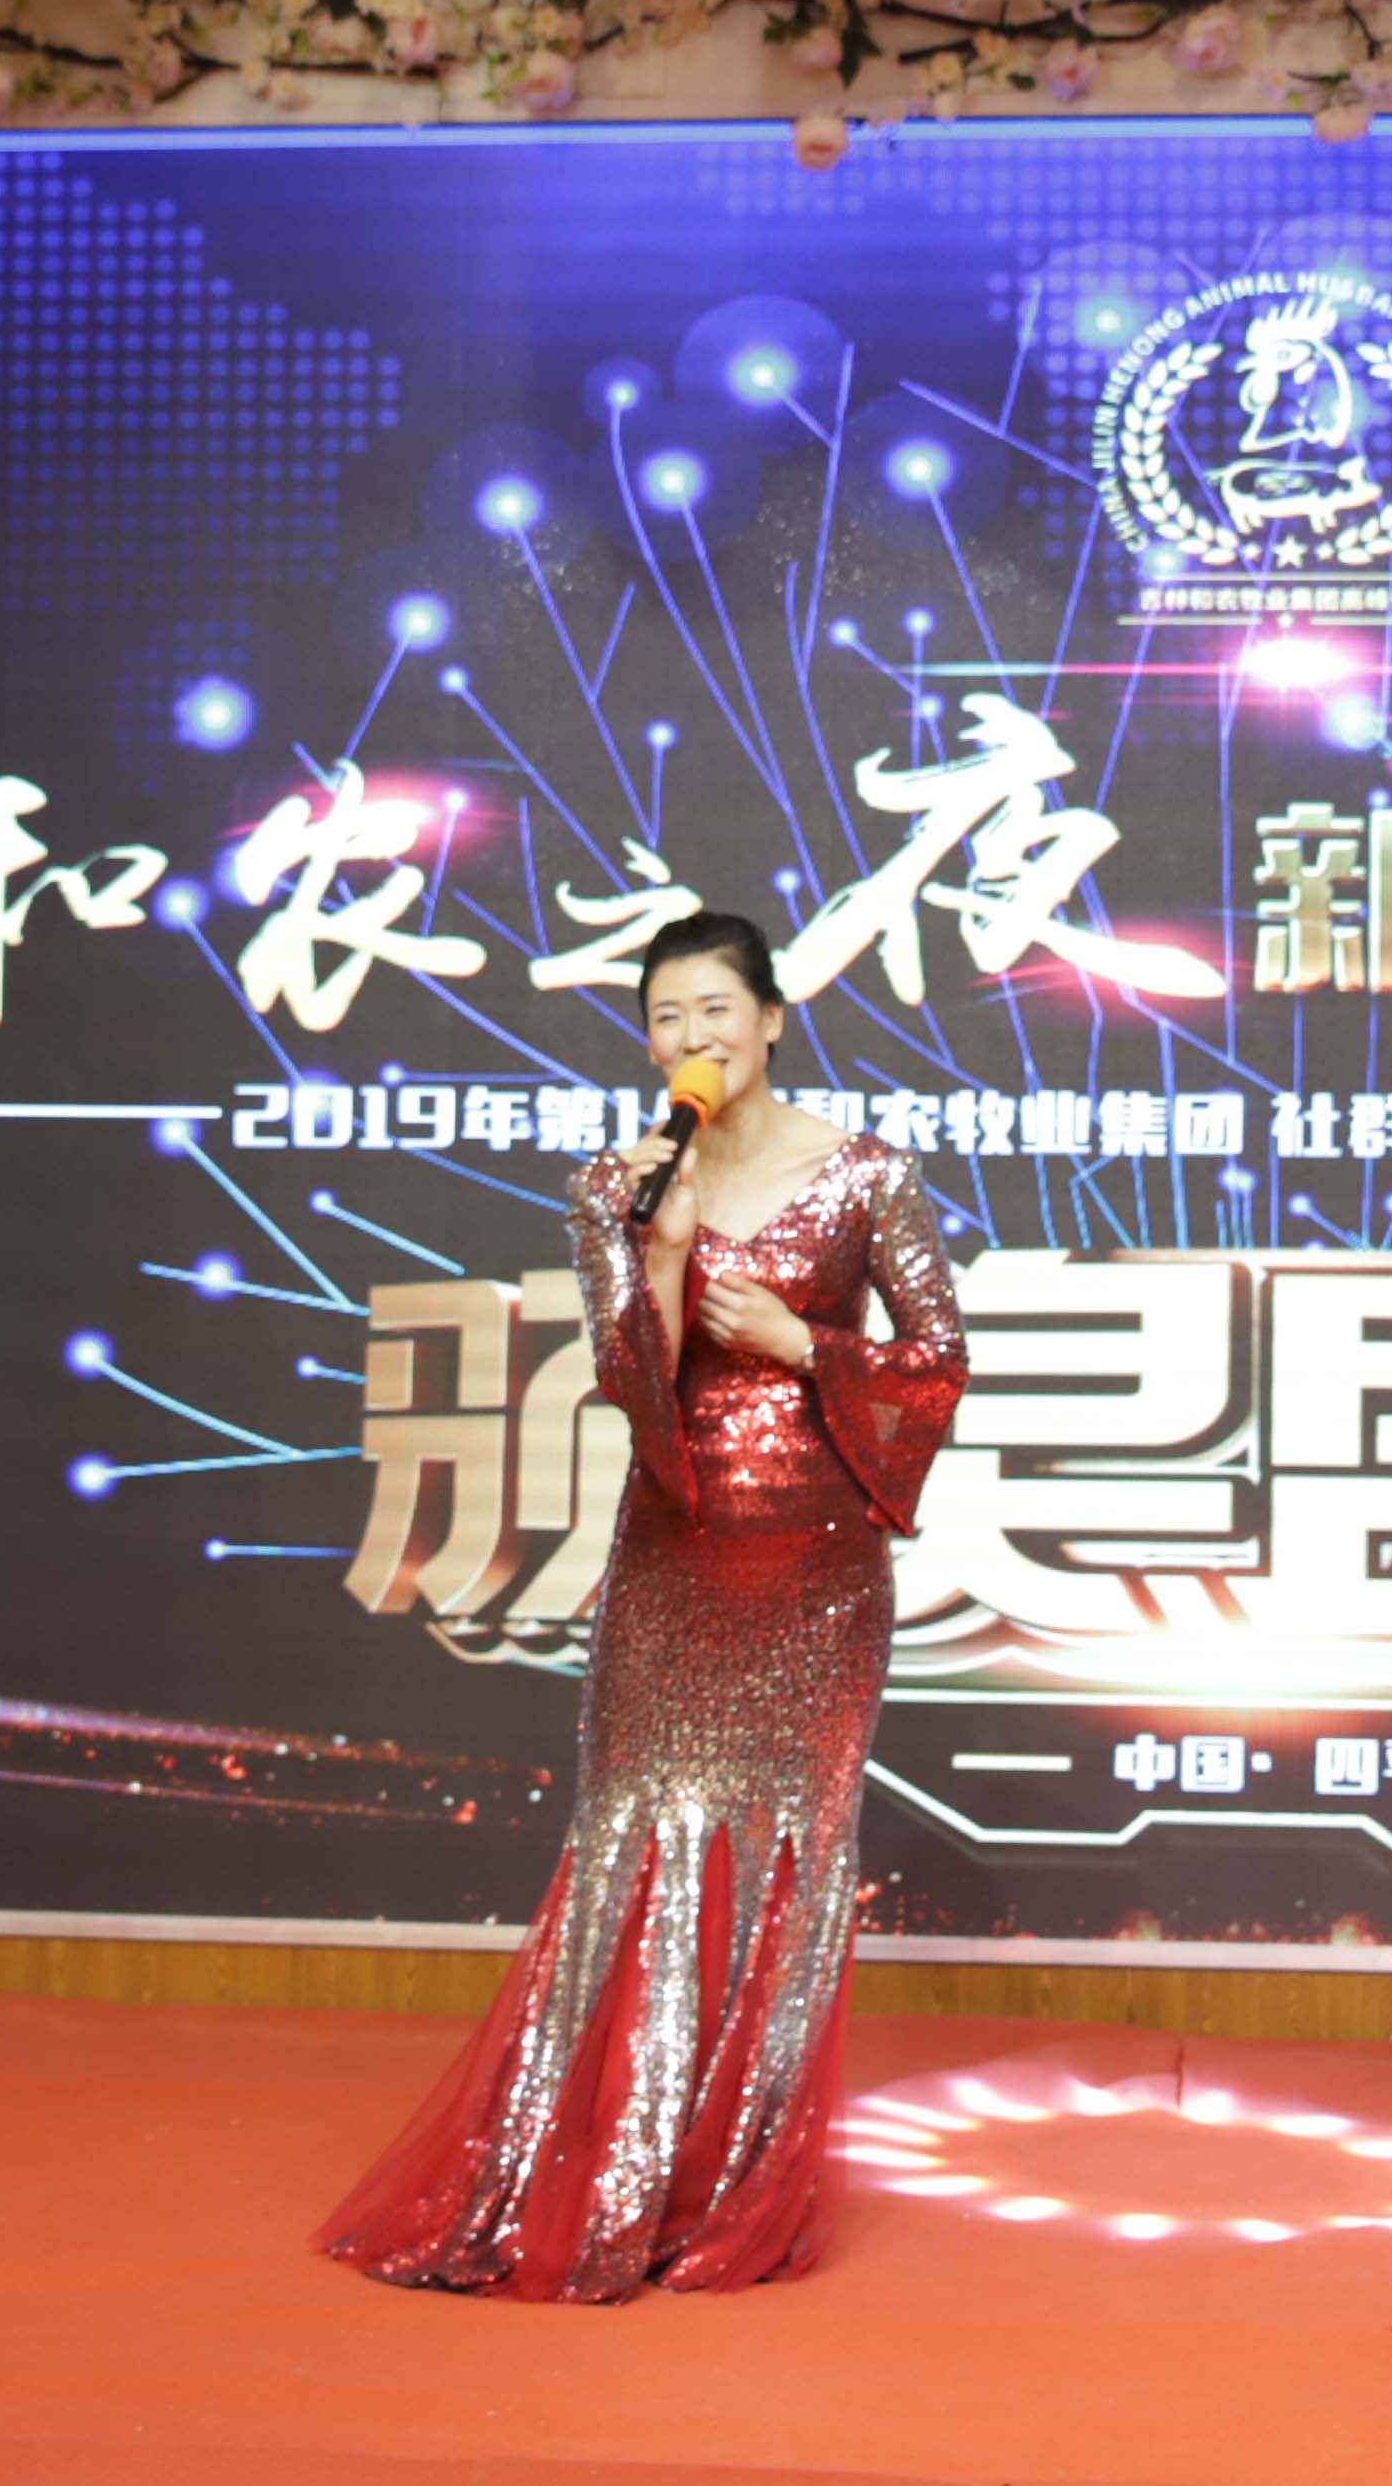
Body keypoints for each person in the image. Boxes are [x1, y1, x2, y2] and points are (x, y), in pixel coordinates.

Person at [314, 912, 964, 2301]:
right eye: (666, 1017)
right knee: (632, 1841)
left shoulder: (868, 1175)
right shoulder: (617, 1183)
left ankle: (733, 2188)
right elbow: (631, 1387)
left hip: (821, 1574)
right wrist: (659, 1251)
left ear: (771, 1019)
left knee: (785, 1864)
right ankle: (600, 2176)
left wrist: (807, 1345)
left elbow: (938, 1364)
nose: (692, 1037)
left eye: (715, 1009)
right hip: (676, 1555)